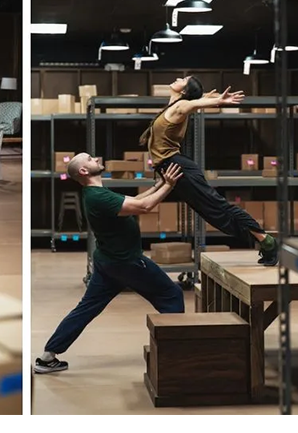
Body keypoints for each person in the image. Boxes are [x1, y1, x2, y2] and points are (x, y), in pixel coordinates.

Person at [34, 153, 186, 374]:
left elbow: (136, 200)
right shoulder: (98, 197)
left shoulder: (97, 193)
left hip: (108, 262)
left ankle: (47, 357)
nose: (96, 159)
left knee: (86, 309)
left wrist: (160, 184)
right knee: (172, 296)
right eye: (90, 159)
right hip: (126, 262)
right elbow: (144, 207)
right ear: (84, 171)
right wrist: (170, 185)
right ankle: (174, 358)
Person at [139, 76, 278, 265]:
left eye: (183, 79)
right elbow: (192, 101)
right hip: (171, 166)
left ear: (184, 91)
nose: (178, 78)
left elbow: (192, 104)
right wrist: (206, 97)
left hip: (177, 166)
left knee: (217, 207)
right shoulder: (174, 104)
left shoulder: (180, 107)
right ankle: (261, 240)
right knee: (211, 212)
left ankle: (266, 241)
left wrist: (217, 101)